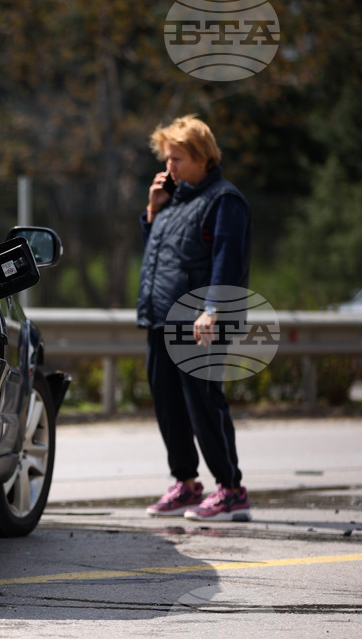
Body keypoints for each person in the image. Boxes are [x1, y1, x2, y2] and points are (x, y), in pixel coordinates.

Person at [137, 114, 252, 522]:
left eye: (178, 159)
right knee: (168, 406)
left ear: (203, 157)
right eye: (167, 159)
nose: (170, 168)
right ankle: (186, 485)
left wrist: (212, 311)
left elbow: (228, 261)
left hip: (199, 322)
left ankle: (231, 489)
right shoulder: (172, 200)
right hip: (160, 319)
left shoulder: (225, 201)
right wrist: (152, 212)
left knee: (204, 405)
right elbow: (157, 258)